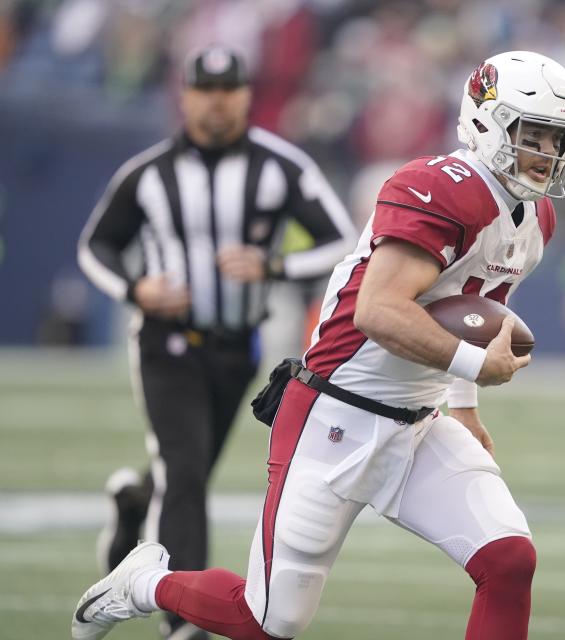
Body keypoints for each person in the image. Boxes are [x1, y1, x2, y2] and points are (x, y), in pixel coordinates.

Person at [71, 50, 565, 640]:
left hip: (418, 425)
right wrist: (475, 366)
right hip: (334, 415)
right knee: (267, 621)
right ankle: (143, 583)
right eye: (536, 136)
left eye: (559, 139)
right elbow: (377, 310)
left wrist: (464, 404)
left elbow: (474, 308)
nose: (550, 155)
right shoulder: (440, 188)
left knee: (508, 560)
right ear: (486, 123)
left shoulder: (535, 217)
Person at [75, 45, 357, 640]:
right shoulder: (149, 173)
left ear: (246, 95)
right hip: (165, 342)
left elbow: (343, 241)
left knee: (188, 468)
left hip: (237, 348)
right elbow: (94, 247)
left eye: (229, 89)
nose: (218, 102)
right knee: (186, 473)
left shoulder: (280, 166)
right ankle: (181, 620)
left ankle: (133, 516)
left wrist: (274, 266)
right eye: (206, 89)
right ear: (186, 95)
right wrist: (137, 288)